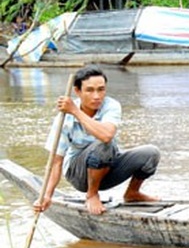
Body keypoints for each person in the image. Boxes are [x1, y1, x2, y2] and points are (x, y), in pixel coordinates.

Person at [34, 65, 160, 215]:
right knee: (104, 145)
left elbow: (107, 134)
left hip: (106, 167)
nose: (96, 96)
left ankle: (132, 193)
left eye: (101, 89)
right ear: (77, 91)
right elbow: (56, 163)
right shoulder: (64, 119)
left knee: (151, 153)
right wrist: (47, 195)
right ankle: (92, 194)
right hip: (79, 176)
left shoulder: (110, 105)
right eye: (89, 90)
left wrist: (75, 111)